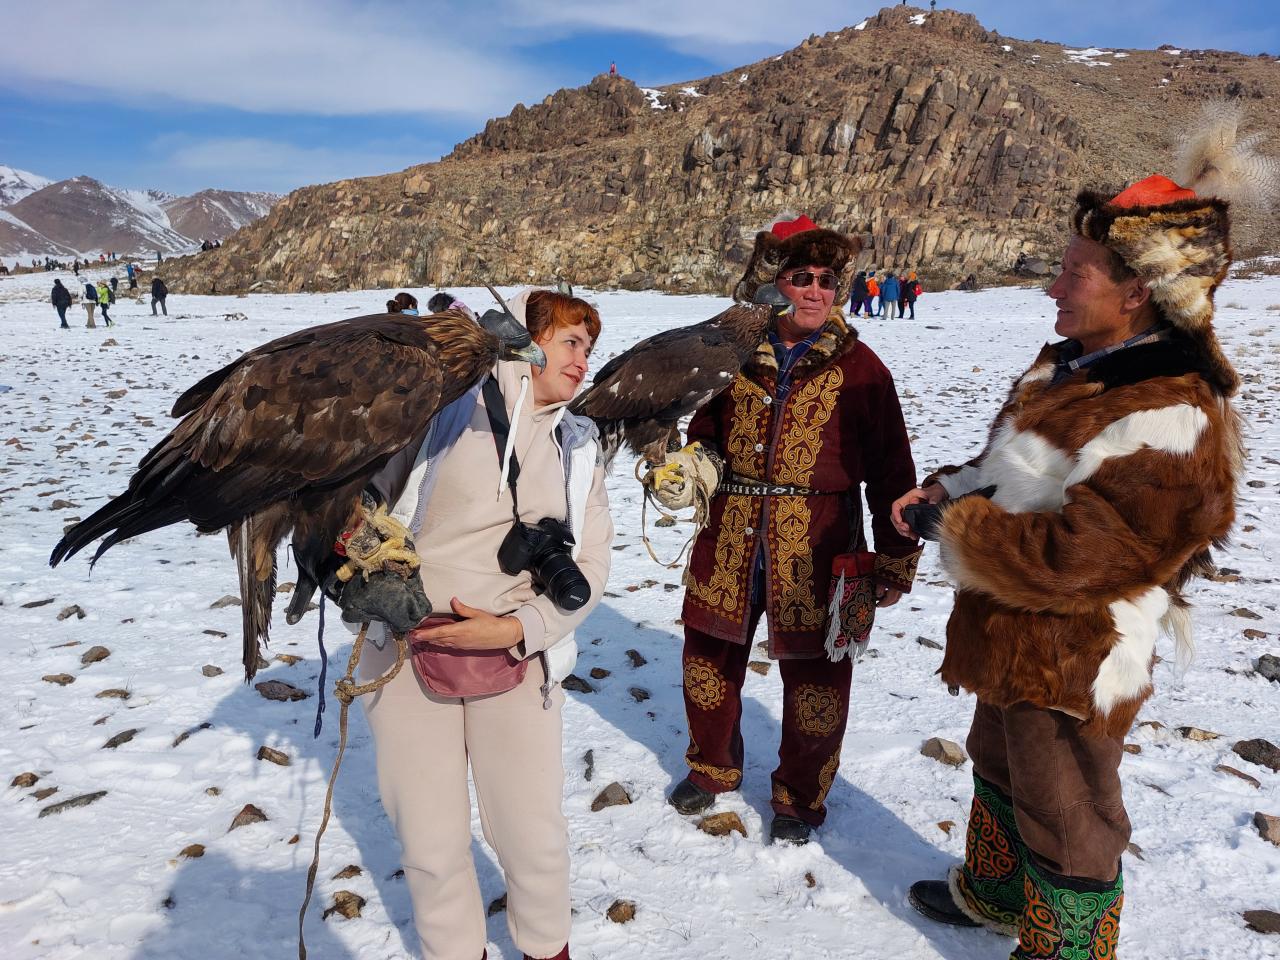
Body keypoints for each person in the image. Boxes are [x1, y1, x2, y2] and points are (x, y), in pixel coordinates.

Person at [894, 126, 1257, 957]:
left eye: (1075, 274)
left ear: (1135, 293)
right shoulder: (1066, 368)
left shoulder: (1168, 409)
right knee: (998, 755)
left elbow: (1085, 555)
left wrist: (956, 530)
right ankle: (993, 890)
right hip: (1010, 621)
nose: (1054, 288)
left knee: (1067, 799)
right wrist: (951, 487)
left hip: (1080, 648)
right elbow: (1010, 464)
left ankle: (1068, 946)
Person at [348, 289, 613, 960]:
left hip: (517, 656)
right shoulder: (438, 411)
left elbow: (592, 570)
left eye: (591, 347)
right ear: (527, 340)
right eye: (571, 342)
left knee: (533, 837)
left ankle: (547, 950)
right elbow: (356, 503)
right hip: (406, 651)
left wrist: (517, 629)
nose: (584, 360)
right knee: (432, 845)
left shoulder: (580, 446)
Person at [649, 215, 922, 845]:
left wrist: (895, 557)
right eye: (801, 277)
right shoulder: (736, 355)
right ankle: (712, 766)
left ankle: (800, 799)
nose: (816, 291)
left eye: (829, 279)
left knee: (819, 676)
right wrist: (693, 467)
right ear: (776, 284)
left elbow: (891, 469)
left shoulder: (863, 368)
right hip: (733, 531)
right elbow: (708, 433)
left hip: (823, 540)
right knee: (709, 656)